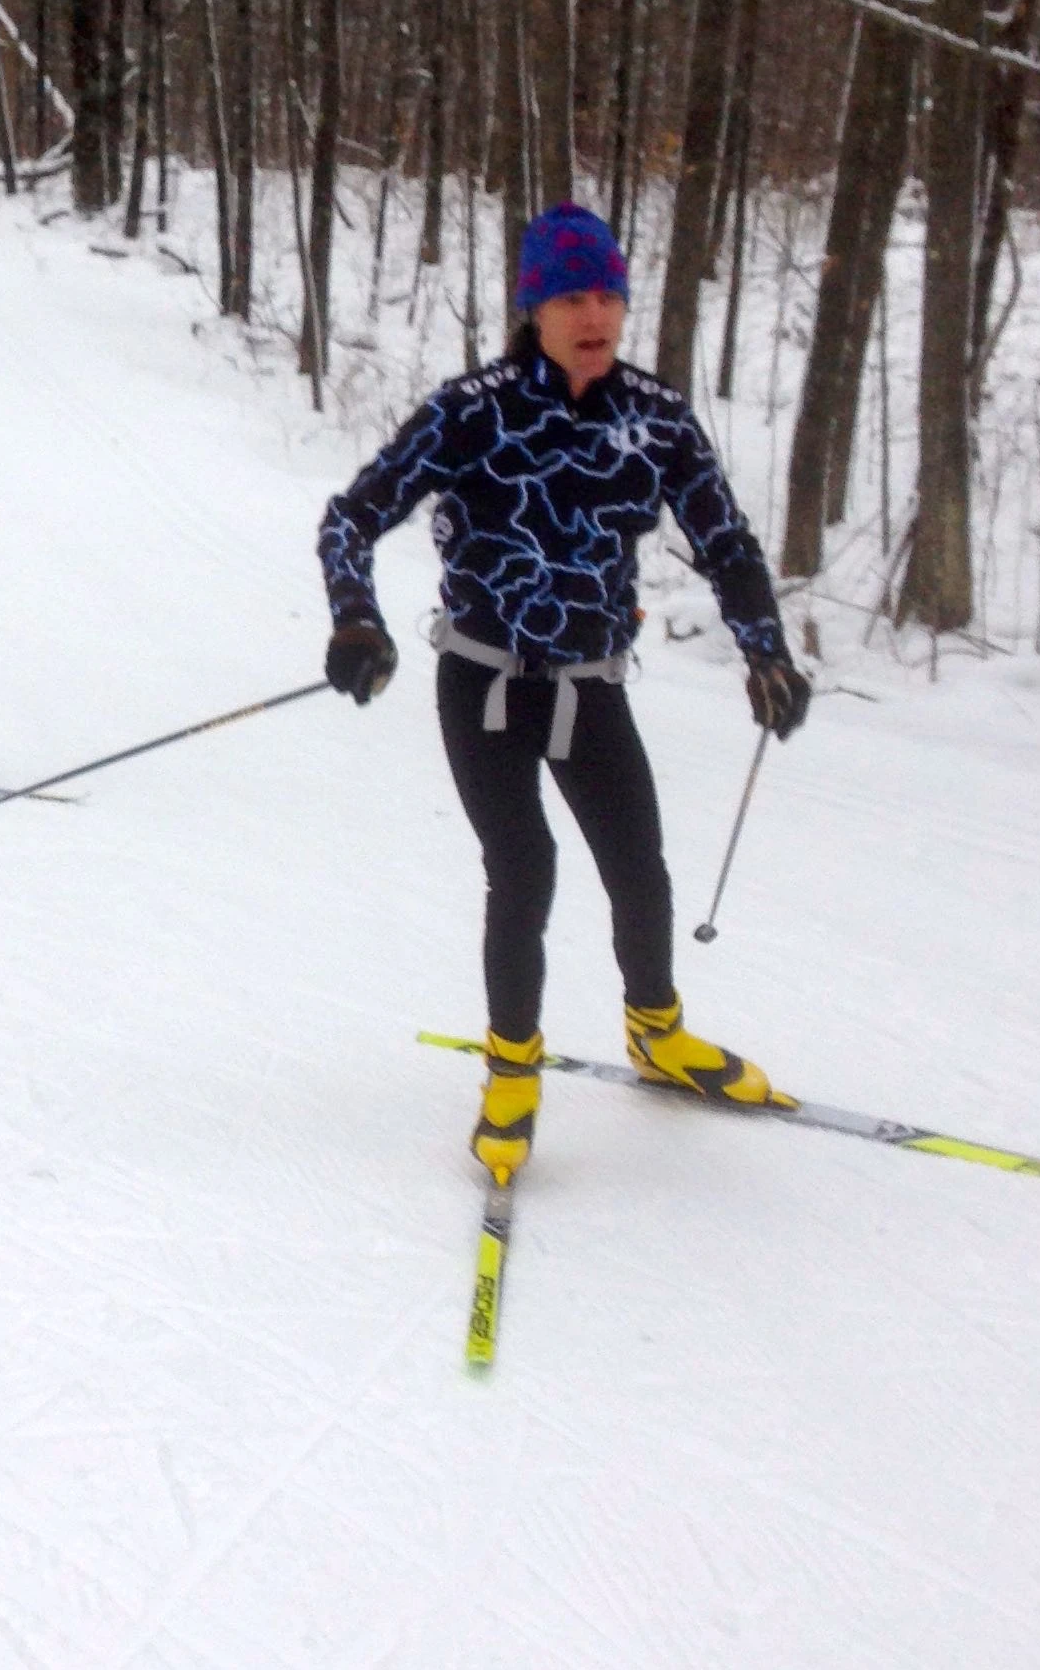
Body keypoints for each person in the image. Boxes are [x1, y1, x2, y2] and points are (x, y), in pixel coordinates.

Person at [316, 203, 810, 1183]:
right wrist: (356, 621)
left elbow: (727, 542)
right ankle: (511, 1072)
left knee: (639, 866)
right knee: (526, 864)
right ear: (533, 307)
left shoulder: (654, 417)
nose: (595, 316)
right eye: (572, 297)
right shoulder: (474, 410)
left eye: (609, 296)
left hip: (591, 684)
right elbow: (350, 520)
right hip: (483, 681)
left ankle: (657, 1033)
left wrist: (767, 651)